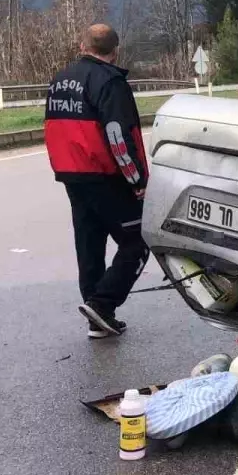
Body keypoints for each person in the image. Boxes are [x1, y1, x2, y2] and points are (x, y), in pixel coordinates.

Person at [44, 24, 150, 339]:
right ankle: (103, 304)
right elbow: (118, 136)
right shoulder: (110, 82)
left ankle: (96, 316)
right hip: (105, 174)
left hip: (71, 173)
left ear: (82, 45)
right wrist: (137, 179)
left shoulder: (61, 79)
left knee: (89, 242)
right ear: (115, 50)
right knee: (137, 240)